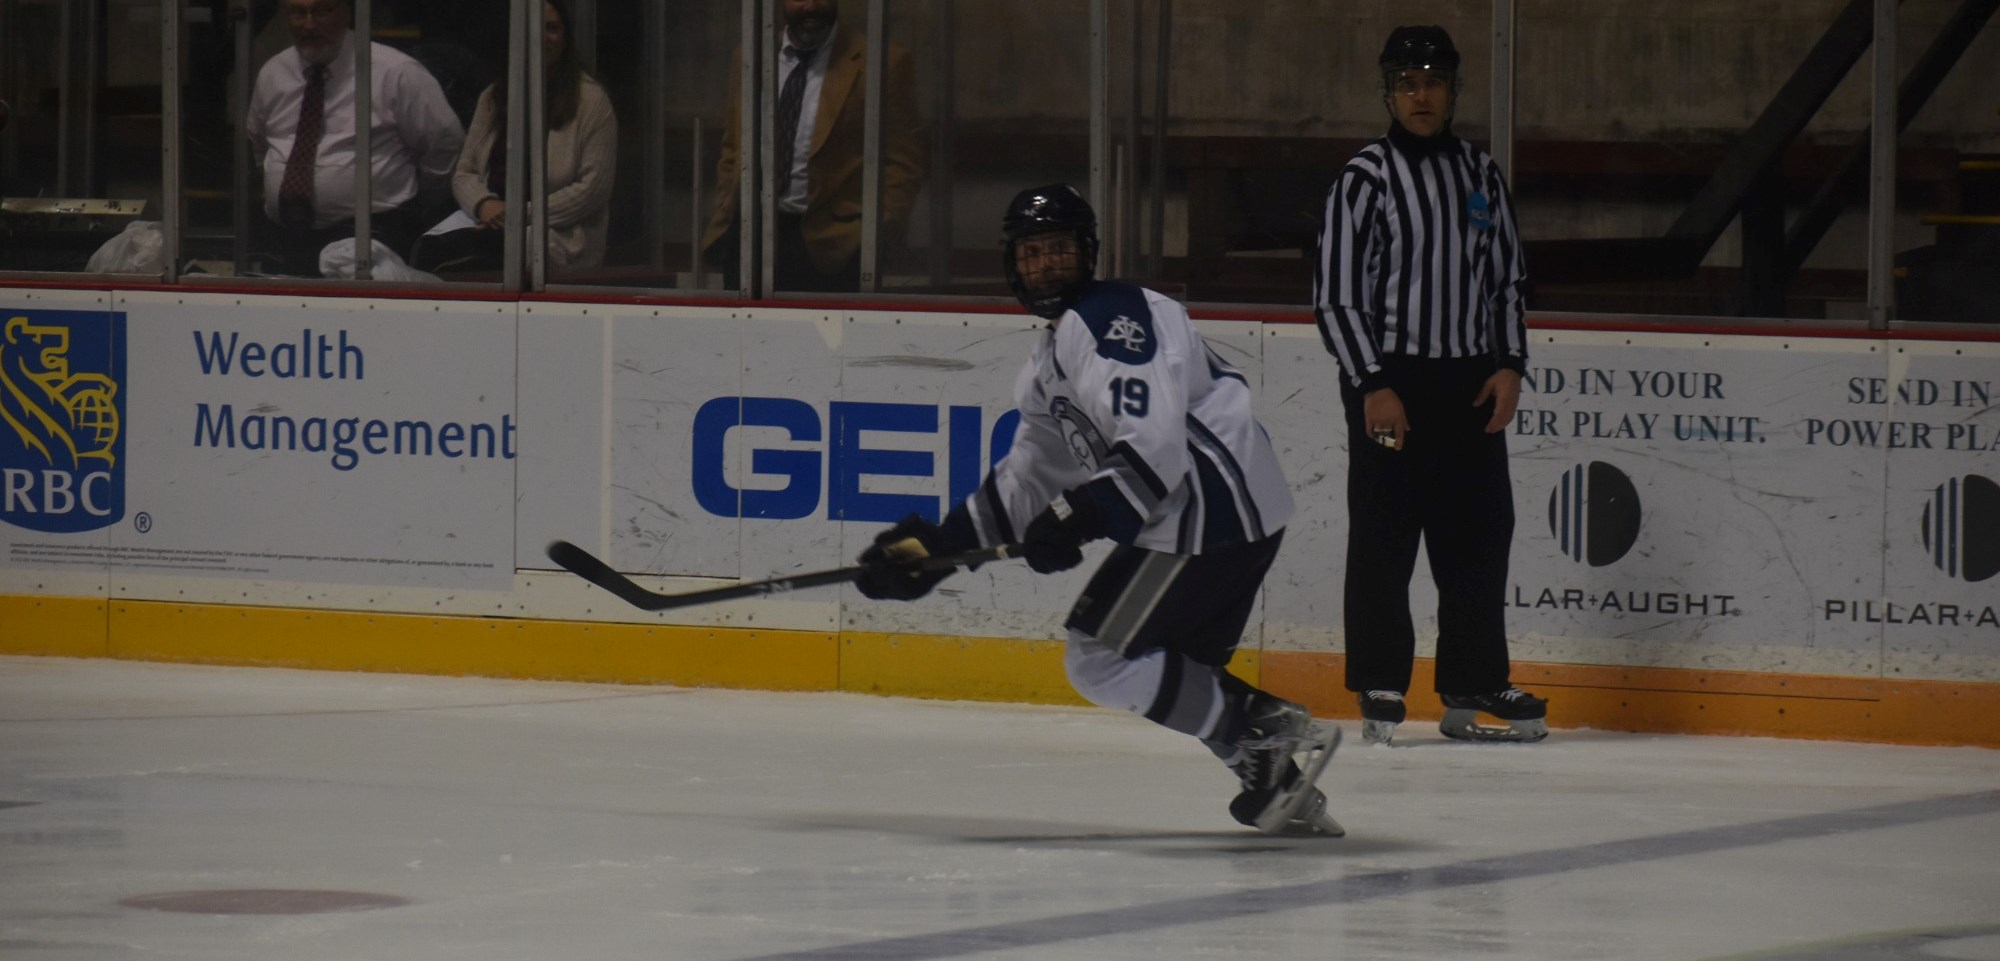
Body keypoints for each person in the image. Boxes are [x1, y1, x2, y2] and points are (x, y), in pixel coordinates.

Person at [854, 185, 1341, 836]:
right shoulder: (1048, 364)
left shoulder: (1109, 317)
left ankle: (1260, 725)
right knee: (1172, 666)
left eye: (1060, 250)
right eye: (1033, 253)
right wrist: (935, 550)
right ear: (1013, 264)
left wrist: (1081, 516)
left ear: (1087, 253)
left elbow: (1155, 444)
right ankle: (1280, 783)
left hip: (1206, 505)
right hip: (1215, 510)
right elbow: (1029, 472)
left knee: (1101, 655)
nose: (1048, 265)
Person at [1311, 25, 1547, 745]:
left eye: (1433, 80)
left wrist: (1510, 363)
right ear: (1388, 90)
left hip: (1469, 383)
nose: (1421, 94)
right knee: (1386, 531)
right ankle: (1381, 683)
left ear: (1452, 90)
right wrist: (1371, 382)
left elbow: (1506, 279)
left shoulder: (1480, 175)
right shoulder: (1365, 179)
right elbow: (1337, 296)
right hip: (1393, 384)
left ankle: (1472, 678)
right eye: (1408, 82)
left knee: (1478, 534)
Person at [700, 0, 927, 292]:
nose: (811, 6)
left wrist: (875, 233)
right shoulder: (749, 56)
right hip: (749, 237)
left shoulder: (882, 61)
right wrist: (726, 208)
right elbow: (734, 144)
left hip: (834, 245)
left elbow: (902, 161)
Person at [246, 0, 465, 276]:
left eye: (322, 11)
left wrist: (418, 201)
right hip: (286, 238)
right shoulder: (273, 73)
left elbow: (444, 144)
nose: (309, 24)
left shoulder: (395, 71)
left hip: (373, 237)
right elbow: (259, 144)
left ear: (348, 12)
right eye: (298, 13)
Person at [418, 0, 618, 274]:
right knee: (428, 250)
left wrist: (516, 214)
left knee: (461, 259)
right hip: (489, 222)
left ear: (565, 38)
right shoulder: (494, 96)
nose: (542, 37)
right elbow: (465, 172)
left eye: (552, 28)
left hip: (557, 234)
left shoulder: (592, 101)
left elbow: (593, 190)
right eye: (534, 28)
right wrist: (484, 204)